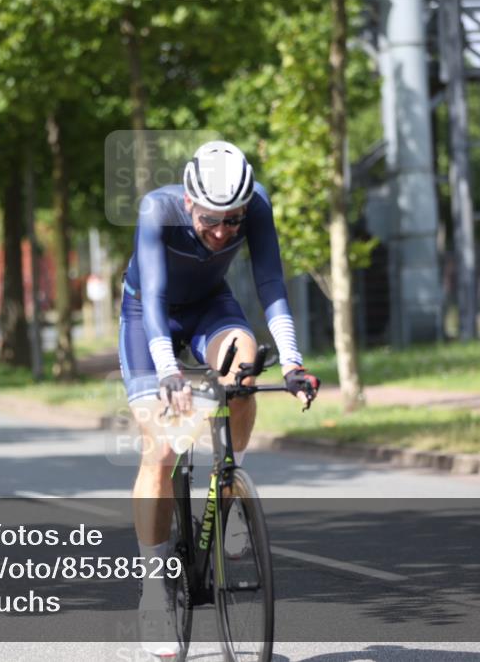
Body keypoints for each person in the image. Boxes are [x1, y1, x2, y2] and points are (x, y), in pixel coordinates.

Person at [120, 141, 320, 657]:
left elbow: (271, 282)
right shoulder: (157, 211)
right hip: (149, 315)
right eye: (212, 219)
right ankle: (154, 589)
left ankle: (229, 491)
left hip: (210, 306)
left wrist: (295, 363)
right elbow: (158, 296)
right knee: (161, 448)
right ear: (189, 201)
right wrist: (169, 372)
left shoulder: (257, 203)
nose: (223, 232)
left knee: (246, 366)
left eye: (233, 221)